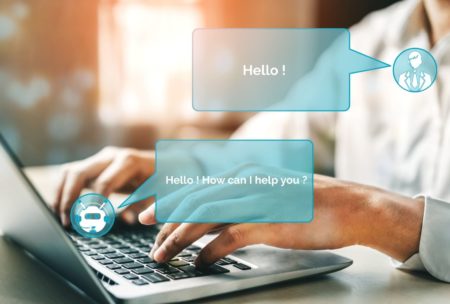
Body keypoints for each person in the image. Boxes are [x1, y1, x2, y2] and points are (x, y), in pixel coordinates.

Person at [52, 0, 450, 282]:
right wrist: (181, 169)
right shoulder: (371, 40)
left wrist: (372, 213)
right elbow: (270, 143)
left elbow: (359, 208)